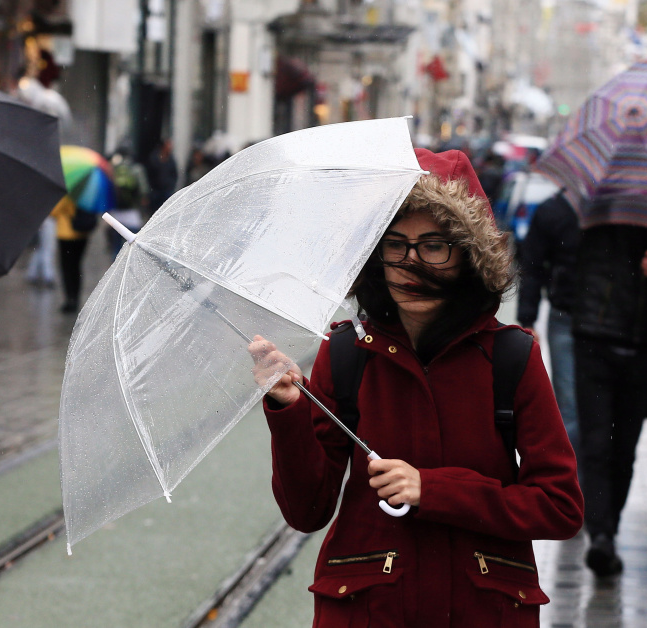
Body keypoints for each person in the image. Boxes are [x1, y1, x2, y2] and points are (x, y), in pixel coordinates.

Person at [248, 149, 582, 627]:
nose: (410, 262)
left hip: (480, 611)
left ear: (468, 255)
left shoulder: (512, 358)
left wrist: (436, 489)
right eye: (395, 243)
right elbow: (307, 511)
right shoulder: (345, 354)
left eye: (433, 245)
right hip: (371, 611)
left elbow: (560, 506)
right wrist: (289, 413)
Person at [571, 207, 647, 577]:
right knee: (597, 446)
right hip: (595, 341)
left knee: (624, 450)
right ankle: (601, 535)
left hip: (643, 347)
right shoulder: (591, 214)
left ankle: (609, 525)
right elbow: (566, 262)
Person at [517, 192, 581, 456]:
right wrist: (528, 319)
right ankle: (574, 482)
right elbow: (532, 266)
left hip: (608, 321)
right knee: (569, 405)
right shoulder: (553, 210)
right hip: (565, 314)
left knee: (595, 409)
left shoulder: (615, 209)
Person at [52, 196, 92, 313]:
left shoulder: (65, 194)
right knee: (76, 266)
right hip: (82, 234)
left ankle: (70, 298)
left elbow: (54, 212)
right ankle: (75, 297)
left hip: (65, 233)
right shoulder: (86, 194)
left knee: (66, 267)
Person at [146, 138, 179, 211]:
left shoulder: (171, 159)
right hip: (155, 190)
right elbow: (150, 174)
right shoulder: (154, 158)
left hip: (167, 190)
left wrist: (171, 185)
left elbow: (174, 174)